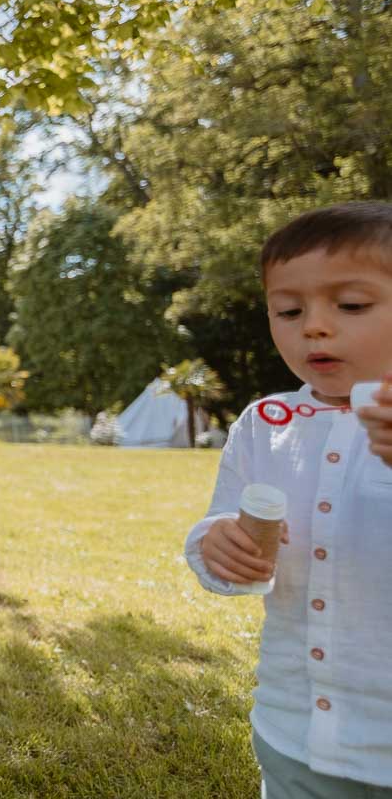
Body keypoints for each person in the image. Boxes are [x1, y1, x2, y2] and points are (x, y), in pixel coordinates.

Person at [185, 200, 392, 798]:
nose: (314, 326)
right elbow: (224, 521)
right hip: (291, 730)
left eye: (351, 305)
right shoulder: (264, 424)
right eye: (288, 310)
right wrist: (214, 545)